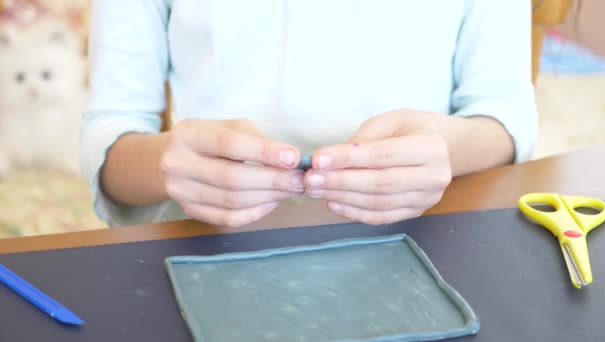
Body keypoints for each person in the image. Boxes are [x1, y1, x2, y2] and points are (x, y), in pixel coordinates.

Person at [81, 0, 537, 228]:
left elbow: (505, 114)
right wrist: (166, 164)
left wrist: (446, 150)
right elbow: (111, 133)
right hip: (208, 240)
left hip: (422, 236)